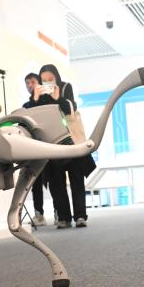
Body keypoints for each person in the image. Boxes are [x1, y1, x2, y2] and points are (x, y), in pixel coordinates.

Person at [34, 64, 95, 228]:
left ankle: (80, 216)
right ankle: (64, 218)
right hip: (52, 142)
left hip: (70, 140)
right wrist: (36, 98)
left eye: (50, 79)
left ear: (56, 77)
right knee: (56, 182)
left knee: (76, 179)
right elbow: (34, 115)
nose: (47, 82)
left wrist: (57, 98)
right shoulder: (39, 94)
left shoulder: (65, 87)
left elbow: (70, 109)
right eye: (44, 80)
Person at [22, 72, 51, 227]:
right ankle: (39, 214)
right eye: (27, 83)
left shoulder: (48, 101)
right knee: (36, 184)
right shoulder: (26, 106)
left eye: (32, 82)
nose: (30, 86)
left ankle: (60, 212)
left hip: (50, 145)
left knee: (54, 181)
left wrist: (37, 98)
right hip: (34, 148)